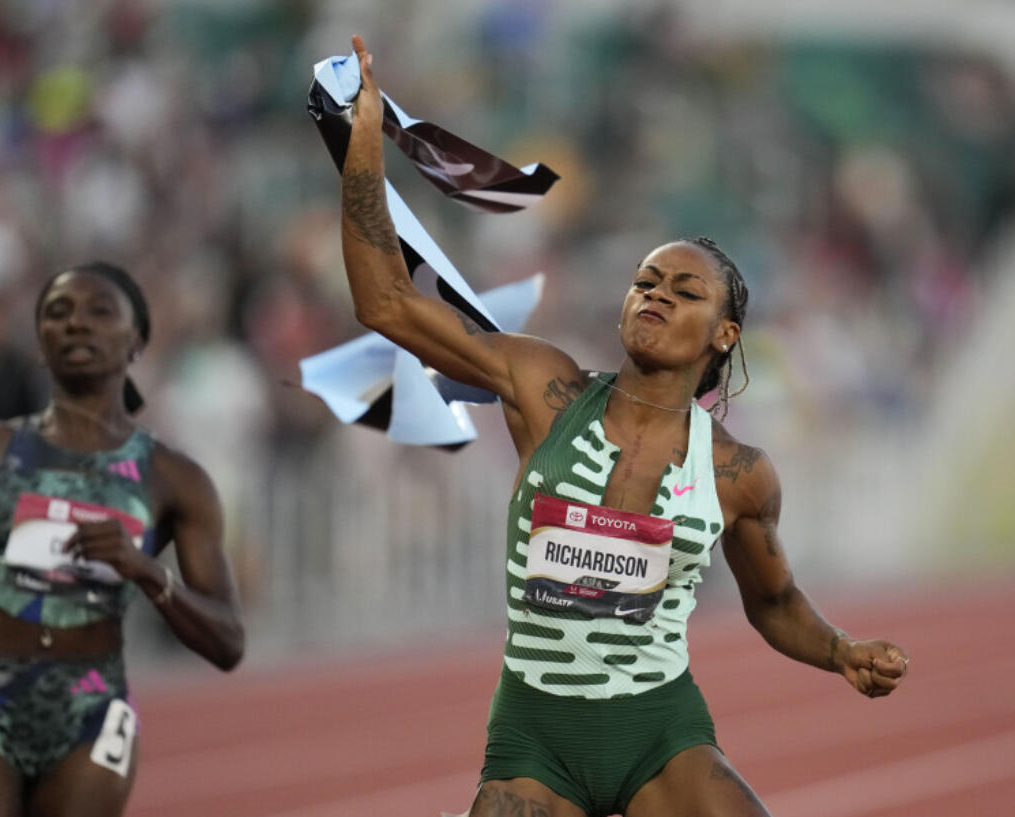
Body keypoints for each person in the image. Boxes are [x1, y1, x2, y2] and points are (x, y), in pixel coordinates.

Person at [341, 35, 908, 817]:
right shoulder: (545, 387)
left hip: (656, 732)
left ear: (725, 335)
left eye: (683, 289)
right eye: (644, 280)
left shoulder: (739, 473)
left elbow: (773, 602)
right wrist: (363, 148)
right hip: (535, 735)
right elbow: (387, 305)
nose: (655, 294)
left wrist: (841, 649)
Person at [0, 262, 245, 817]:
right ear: (39, 344)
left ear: (137, 341)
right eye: (58, 313)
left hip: (90, 710)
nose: (77, 323)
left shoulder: (175, 479)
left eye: (100, 311)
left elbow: (229, 643)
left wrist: (146, 570)